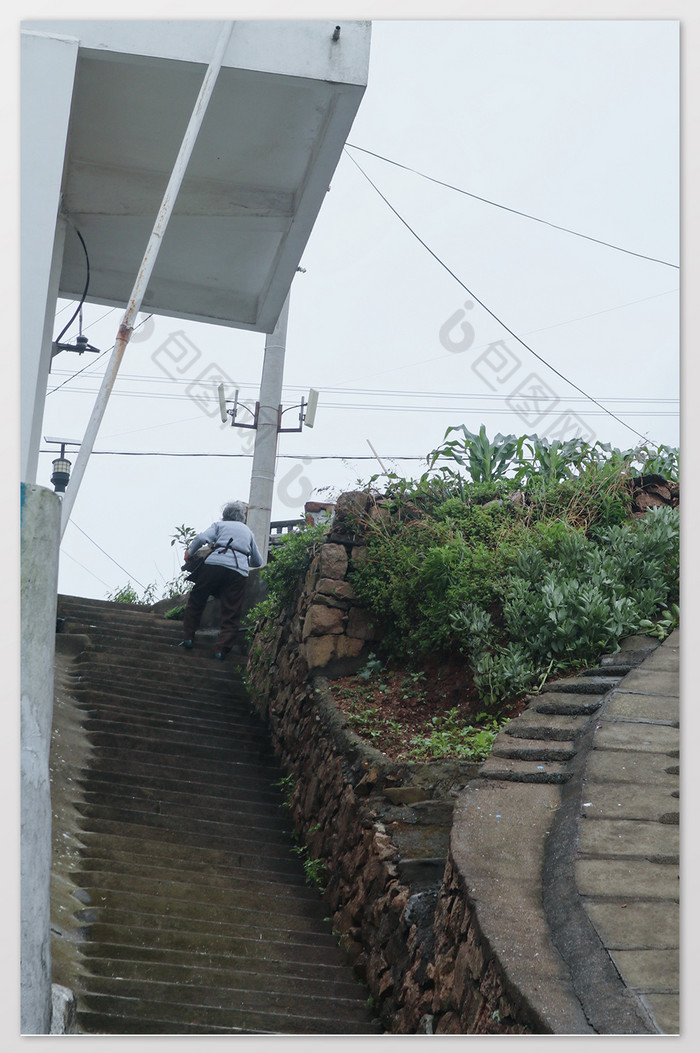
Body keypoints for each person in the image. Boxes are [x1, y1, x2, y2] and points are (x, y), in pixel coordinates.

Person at [180, 500, 263, 659]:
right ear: (242, 518)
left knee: (197, 599)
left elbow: (201, 538)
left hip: (214, 565)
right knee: (231, 611)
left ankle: (189, 637)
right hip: (238, 572)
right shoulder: (248, 532)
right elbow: (258, 561)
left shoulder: (219, 525)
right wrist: (243, 560)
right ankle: (221, 650)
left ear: (224, 515)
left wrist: (189, 552)